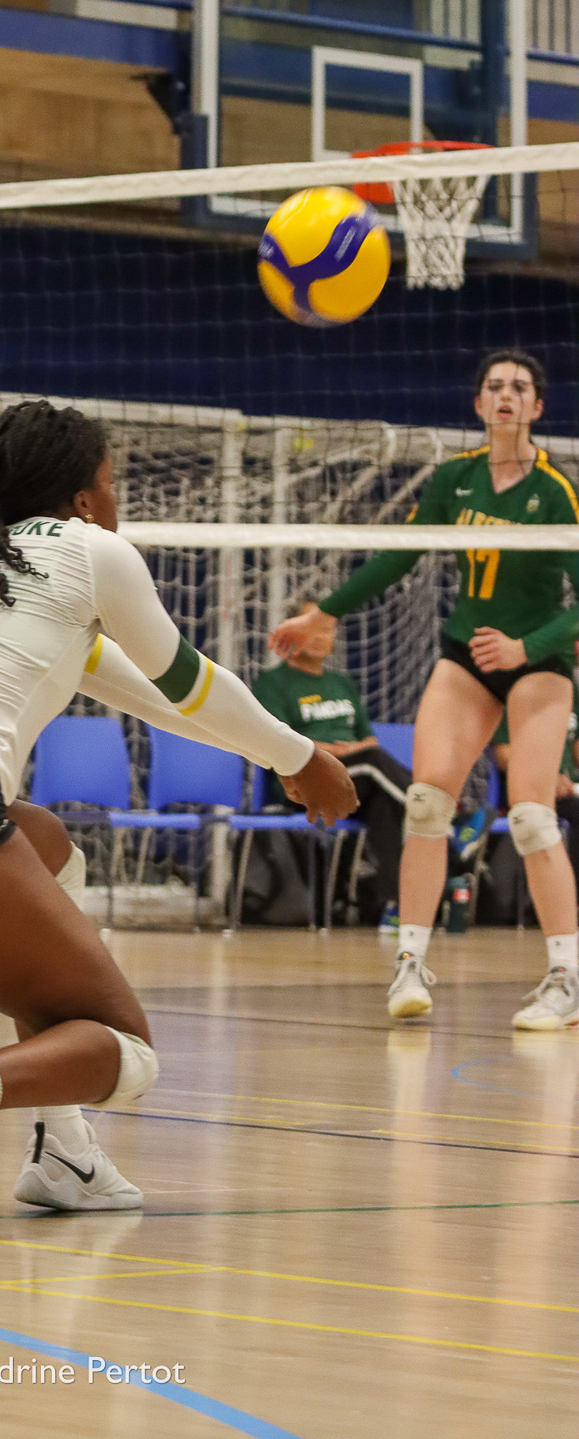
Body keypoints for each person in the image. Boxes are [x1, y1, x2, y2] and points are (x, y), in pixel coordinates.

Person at [0, 400, 356, 1245]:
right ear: (86, 499)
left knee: (52, 854)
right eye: (111, 481)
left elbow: (161, 706)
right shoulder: (94, 554)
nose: (115, 499)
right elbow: (192, 683)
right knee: (125, 1053)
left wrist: (281, 754)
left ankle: (64, 1151)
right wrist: (302, 756)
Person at [270, 350, 579, 1030]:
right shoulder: (454, 480)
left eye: (520, 388)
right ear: (477, 405)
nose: (506, 396)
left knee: (530, 816)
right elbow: (398, 557)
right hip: (467, 654)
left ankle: (566, 977)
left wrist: (529, 647)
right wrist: (323, 611)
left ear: (537, 409)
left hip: (536, 661)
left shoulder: (554, 492)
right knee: (425, 803)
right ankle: (409, 965)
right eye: (495, 386)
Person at [253, 603, 411, 923]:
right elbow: (279, 740)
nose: (320, 636)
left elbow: (369, 740)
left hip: (359, 777)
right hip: (303, 781)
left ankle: (393, 907)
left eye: (326, 629)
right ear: (291, 629)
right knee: (374, 764)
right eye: (312, 628)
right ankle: (445, 815)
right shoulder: (272, 683)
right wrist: (332, 752)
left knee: (385, 801)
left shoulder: (342, 683)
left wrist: (352, 749)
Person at [490, 676, 579, 905]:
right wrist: (547, 778)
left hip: (571, 787)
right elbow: (503, 754)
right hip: (530, 788)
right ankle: (572, 903)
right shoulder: (513, 689)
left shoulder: (569, 686)